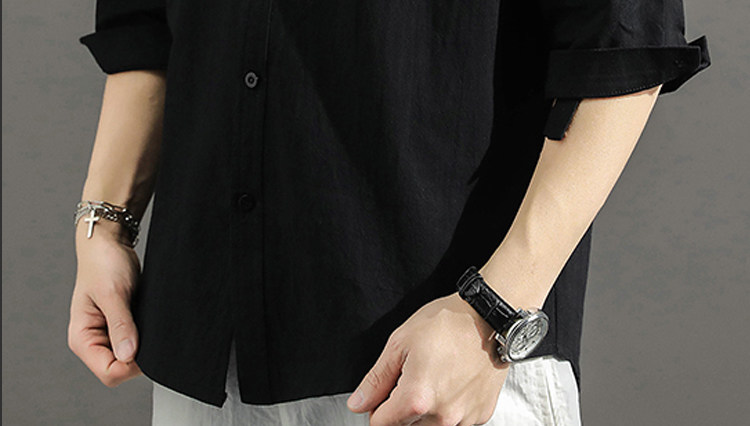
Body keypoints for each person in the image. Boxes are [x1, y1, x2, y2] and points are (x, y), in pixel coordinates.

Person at [68, 0, 709, 424]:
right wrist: (105, 226)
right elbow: (145, 27)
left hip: (440, 367)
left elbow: (625, 36)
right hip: (211, 359)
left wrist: (495, 312)